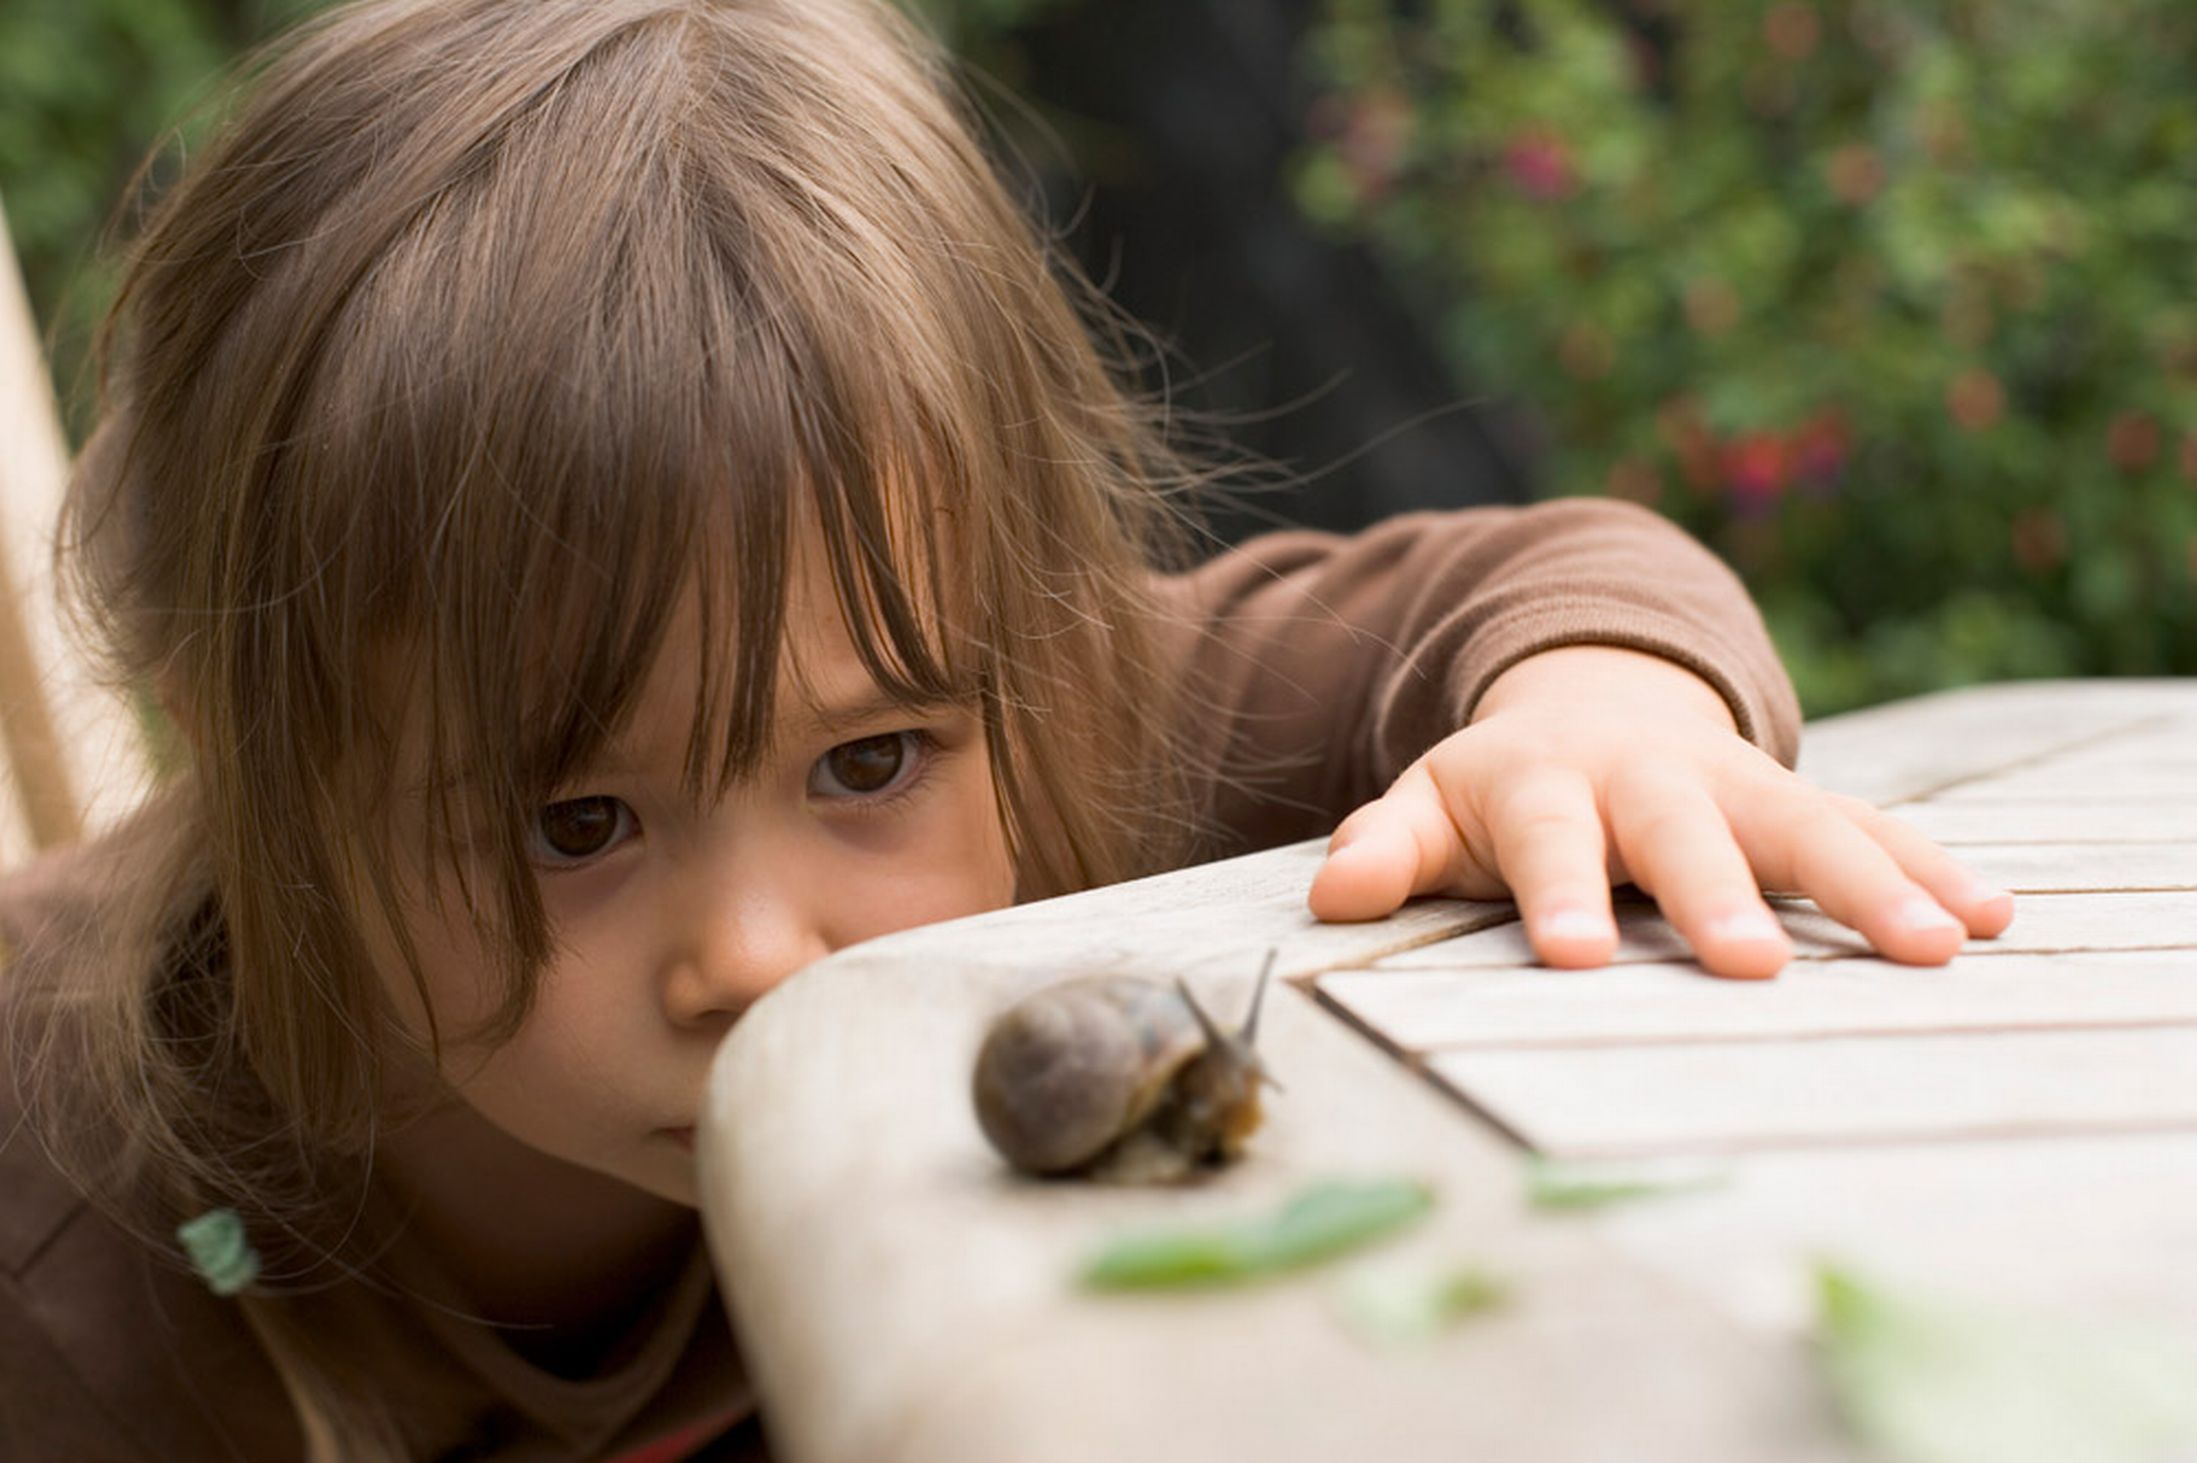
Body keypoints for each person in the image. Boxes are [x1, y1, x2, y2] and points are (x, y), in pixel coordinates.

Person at [0, 0, 2014, 1456]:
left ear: (1028, 627)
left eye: (865, 769)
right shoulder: (72, 1261)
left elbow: (1536, 581)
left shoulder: (1069, 732)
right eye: (572, 826)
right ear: (249, 751)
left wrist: (1599, 715)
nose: (757, 955)